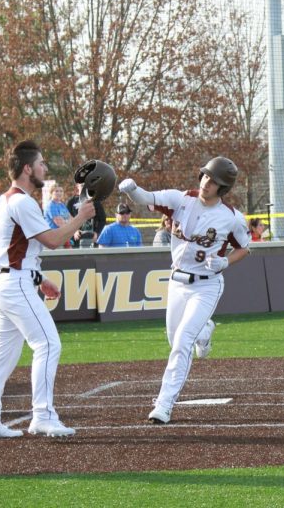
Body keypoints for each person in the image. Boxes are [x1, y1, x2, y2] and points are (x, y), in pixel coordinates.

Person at [0, 140, 96, 439]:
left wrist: (39, 278)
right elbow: (53, 240)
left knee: (1, 359)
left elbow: (17, 247)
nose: (45, 167)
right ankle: (42, 415)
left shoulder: (7, 200)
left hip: (9, 281)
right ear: (27, 168)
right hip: (14, 284)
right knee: (48, 344)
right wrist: (80, 217)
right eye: (41, 163)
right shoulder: (21, 201)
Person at [118, 156, 250, 424]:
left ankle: (164, 404)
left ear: (223, 187)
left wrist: (225, 261)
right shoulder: (181, 200)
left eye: (213, 181)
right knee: (174, 339)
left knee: (181, 343)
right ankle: (206, 331)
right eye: (205, 176)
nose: (206, 183)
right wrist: (131, 189)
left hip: (206, 286)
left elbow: (244, 248)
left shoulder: (232, 218)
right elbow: (146, 197)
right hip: (177, 283)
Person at [66, 182, 107, 248]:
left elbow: (102, 220)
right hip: (76, 238)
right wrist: (74, 231)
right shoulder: (71, 202)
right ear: (77, 186)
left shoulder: (95, 201)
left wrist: (97, 233)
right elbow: (67, 219)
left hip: (91, 237)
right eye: (82, 185)